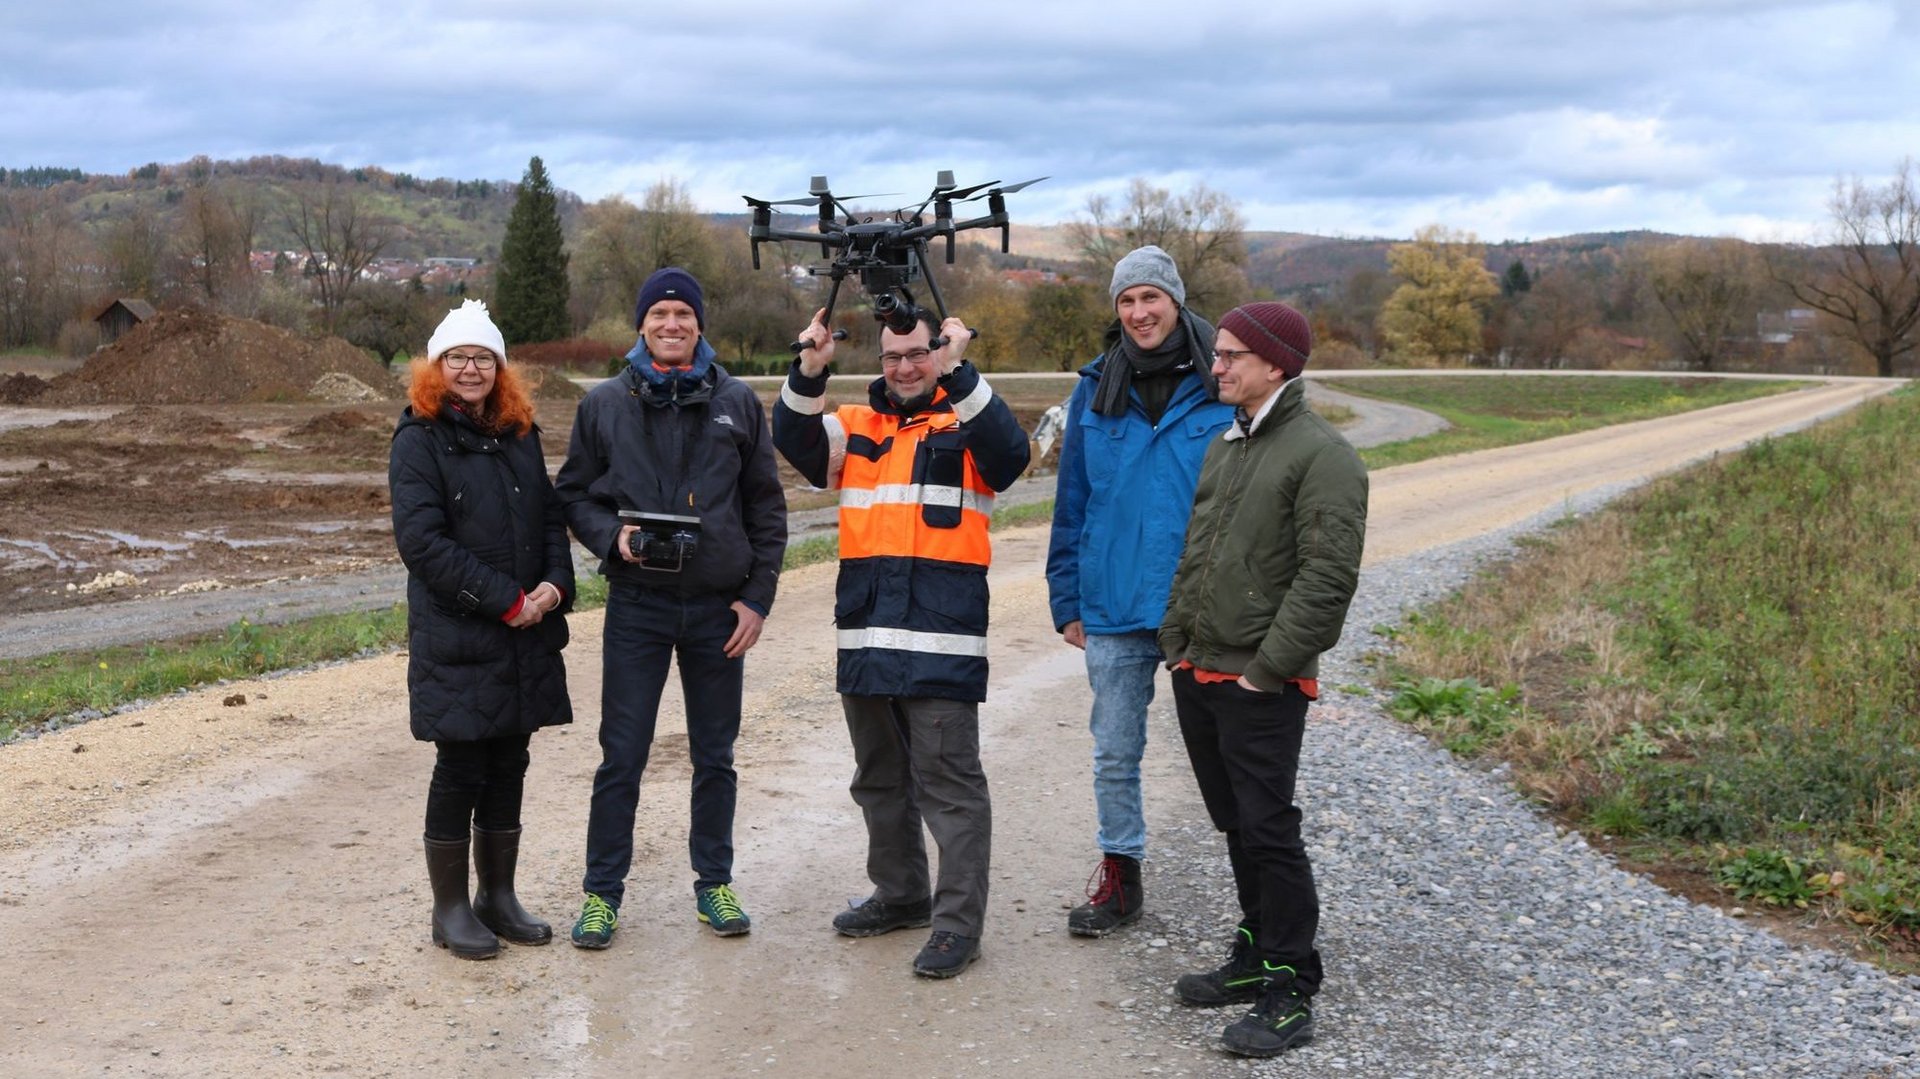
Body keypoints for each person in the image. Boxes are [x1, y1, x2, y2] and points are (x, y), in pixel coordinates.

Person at [773, 304, 1030, 978]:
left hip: (942, 642)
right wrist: (809, 367)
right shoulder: (857, 425)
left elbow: (1010, 457)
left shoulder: (967, 419)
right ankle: (901, 892)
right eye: (892, 356)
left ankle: (956, 926)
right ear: (878, 361)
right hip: (866, 639)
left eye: (919, 352)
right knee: (880, 780)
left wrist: (962, 373)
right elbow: (794, 439)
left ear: (938, 353)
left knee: (949, 787)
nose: (906, 366)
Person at [554, 267, 787, 949]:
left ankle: (713, 882)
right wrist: (612, 537)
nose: (672, 324)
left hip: (719, 608)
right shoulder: (603, 403)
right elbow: (574, 495)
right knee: (621, 754)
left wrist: (757, 599)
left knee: (715, 754)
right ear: (641, 324)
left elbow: (767, 509)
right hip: (639, 605)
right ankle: (602, 895)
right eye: (659, 313)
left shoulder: (739, 403)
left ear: (700, 324)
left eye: (684, 313)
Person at [1158, 301, 1367, 1057]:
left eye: (1230, 356)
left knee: (1270, 827)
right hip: (1200, 666)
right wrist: (1175, 641)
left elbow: (1327, 579)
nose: (1215, 367)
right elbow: (1198, 549)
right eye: (1217, 355)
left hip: (1259, 681)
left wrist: (1267, 672)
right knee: (1238, 822)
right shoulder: (1228, 443)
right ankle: (1256, 948)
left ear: (1275, 363)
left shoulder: (1324, 454)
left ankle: (1291, 983)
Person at [1045, 245, 1234, 937]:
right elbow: (1072, 500)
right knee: (1114, 749)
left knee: (1225, 750)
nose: (1138, 312)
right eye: (1126, 301)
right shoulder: (1096, 387)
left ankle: (1255, 889)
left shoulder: (1222, 382)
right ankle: (1121, 879)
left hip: (1201, 603)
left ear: (1176, 302)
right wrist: (1065, 595)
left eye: (1150, 297)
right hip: (1114, 601)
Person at [388, 299, 575, 961]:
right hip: (462, 634)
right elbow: (423, 543)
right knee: (461, 762)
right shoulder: (419, 438)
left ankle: (499, 896)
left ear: (500, 367)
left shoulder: (519, 433)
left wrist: (556, 584)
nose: (471, 368)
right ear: (436, 365)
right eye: (458, 357)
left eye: (483, 357)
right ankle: (450, 908)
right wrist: (507, 599)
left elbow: (551, 518)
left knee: (509, 762)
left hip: (524, 630)